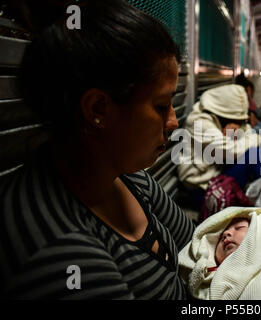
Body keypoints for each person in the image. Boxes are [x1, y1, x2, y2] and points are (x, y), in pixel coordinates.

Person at [0, 0, 196, 299]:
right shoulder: (58, 250)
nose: (173, 122)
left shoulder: (128, 178)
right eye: (160, 106)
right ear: (98, 109)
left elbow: (197, 243)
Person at [177, 84, 261, 210]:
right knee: (254, 153)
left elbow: (248, 131)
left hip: (218, 174)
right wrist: (254, 138)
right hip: (201, 189)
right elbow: (231, 151)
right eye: (237, 120)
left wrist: (242, 136)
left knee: (258, 151)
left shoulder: (222, 119)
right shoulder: (198, 121)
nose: (240, 124)